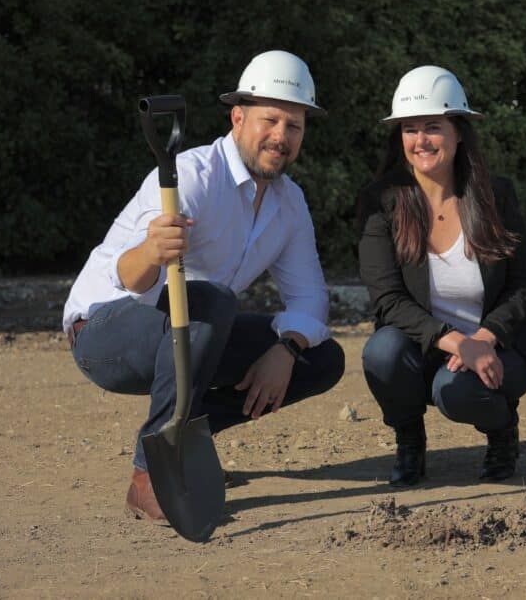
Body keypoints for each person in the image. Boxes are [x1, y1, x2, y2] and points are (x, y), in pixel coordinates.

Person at [63, 50, 345, 522]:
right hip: (105, 331)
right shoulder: (189, 175)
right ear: (238, 117)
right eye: (269, 120)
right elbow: (130, 279)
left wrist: (288, 350)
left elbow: (310, 300)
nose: (281, 136)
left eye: (294, 125)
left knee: (323, 359)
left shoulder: (289, 204)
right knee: (213, 300)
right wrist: (153, 251)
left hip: (193, 330)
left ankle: (183, 440)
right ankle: (150, 475)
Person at [356, 65, 526, 486]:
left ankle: (501, 431)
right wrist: (456, 341)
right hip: (425, 346)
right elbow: (387, 300)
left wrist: (483, 339)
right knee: (381, 353)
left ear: (458, 131)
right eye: (410, 129)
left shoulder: (497, 195)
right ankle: (409, 442)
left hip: (501, 345)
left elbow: (523, 285)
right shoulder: (380, 201)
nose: (421, 140)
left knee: (456, 392)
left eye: (432, 127)